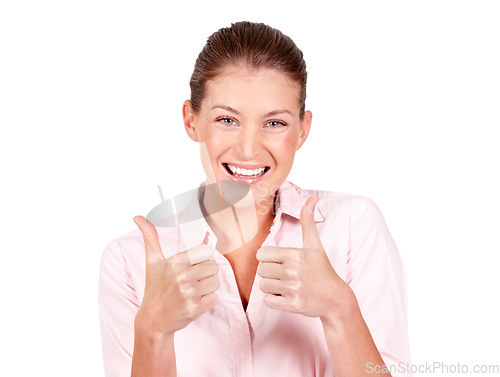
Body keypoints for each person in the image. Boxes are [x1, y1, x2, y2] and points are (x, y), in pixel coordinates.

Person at [98, 21, 411, 377]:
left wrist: (340, 309)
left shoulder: (353, 227)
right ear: (191, 120)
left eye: (274, 123)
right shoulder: (129, 262)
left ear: (302, 129)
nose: (248, 149)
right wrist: (152, 331)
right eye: (227, 119)